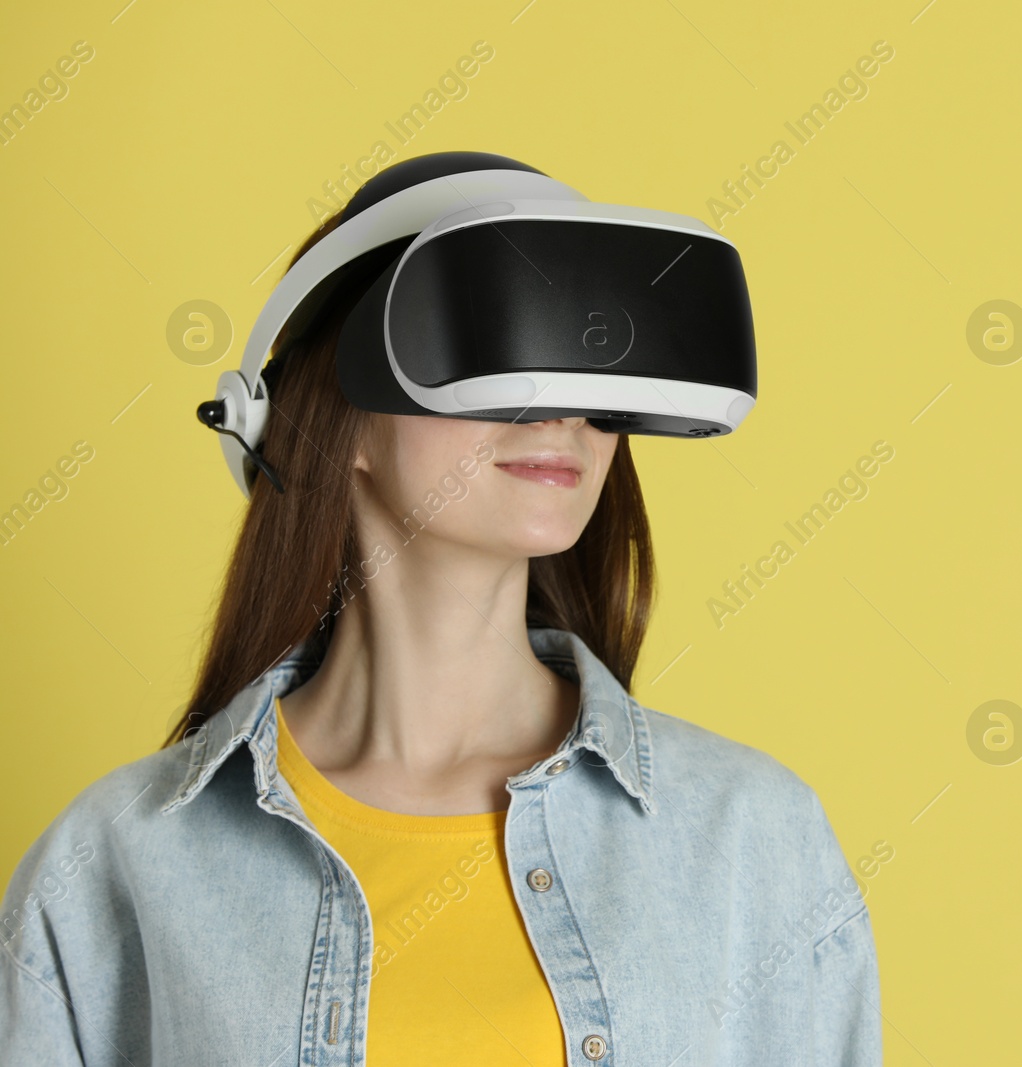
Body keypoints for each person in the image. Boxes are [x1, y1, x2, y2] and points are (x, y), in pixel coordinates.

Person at [0, 154, 882, 1066]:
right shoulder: (112, 863)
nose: (561, 412)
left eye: (590, 358)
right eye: (497, 336)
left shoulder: (749, 838)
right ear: (331, 415)